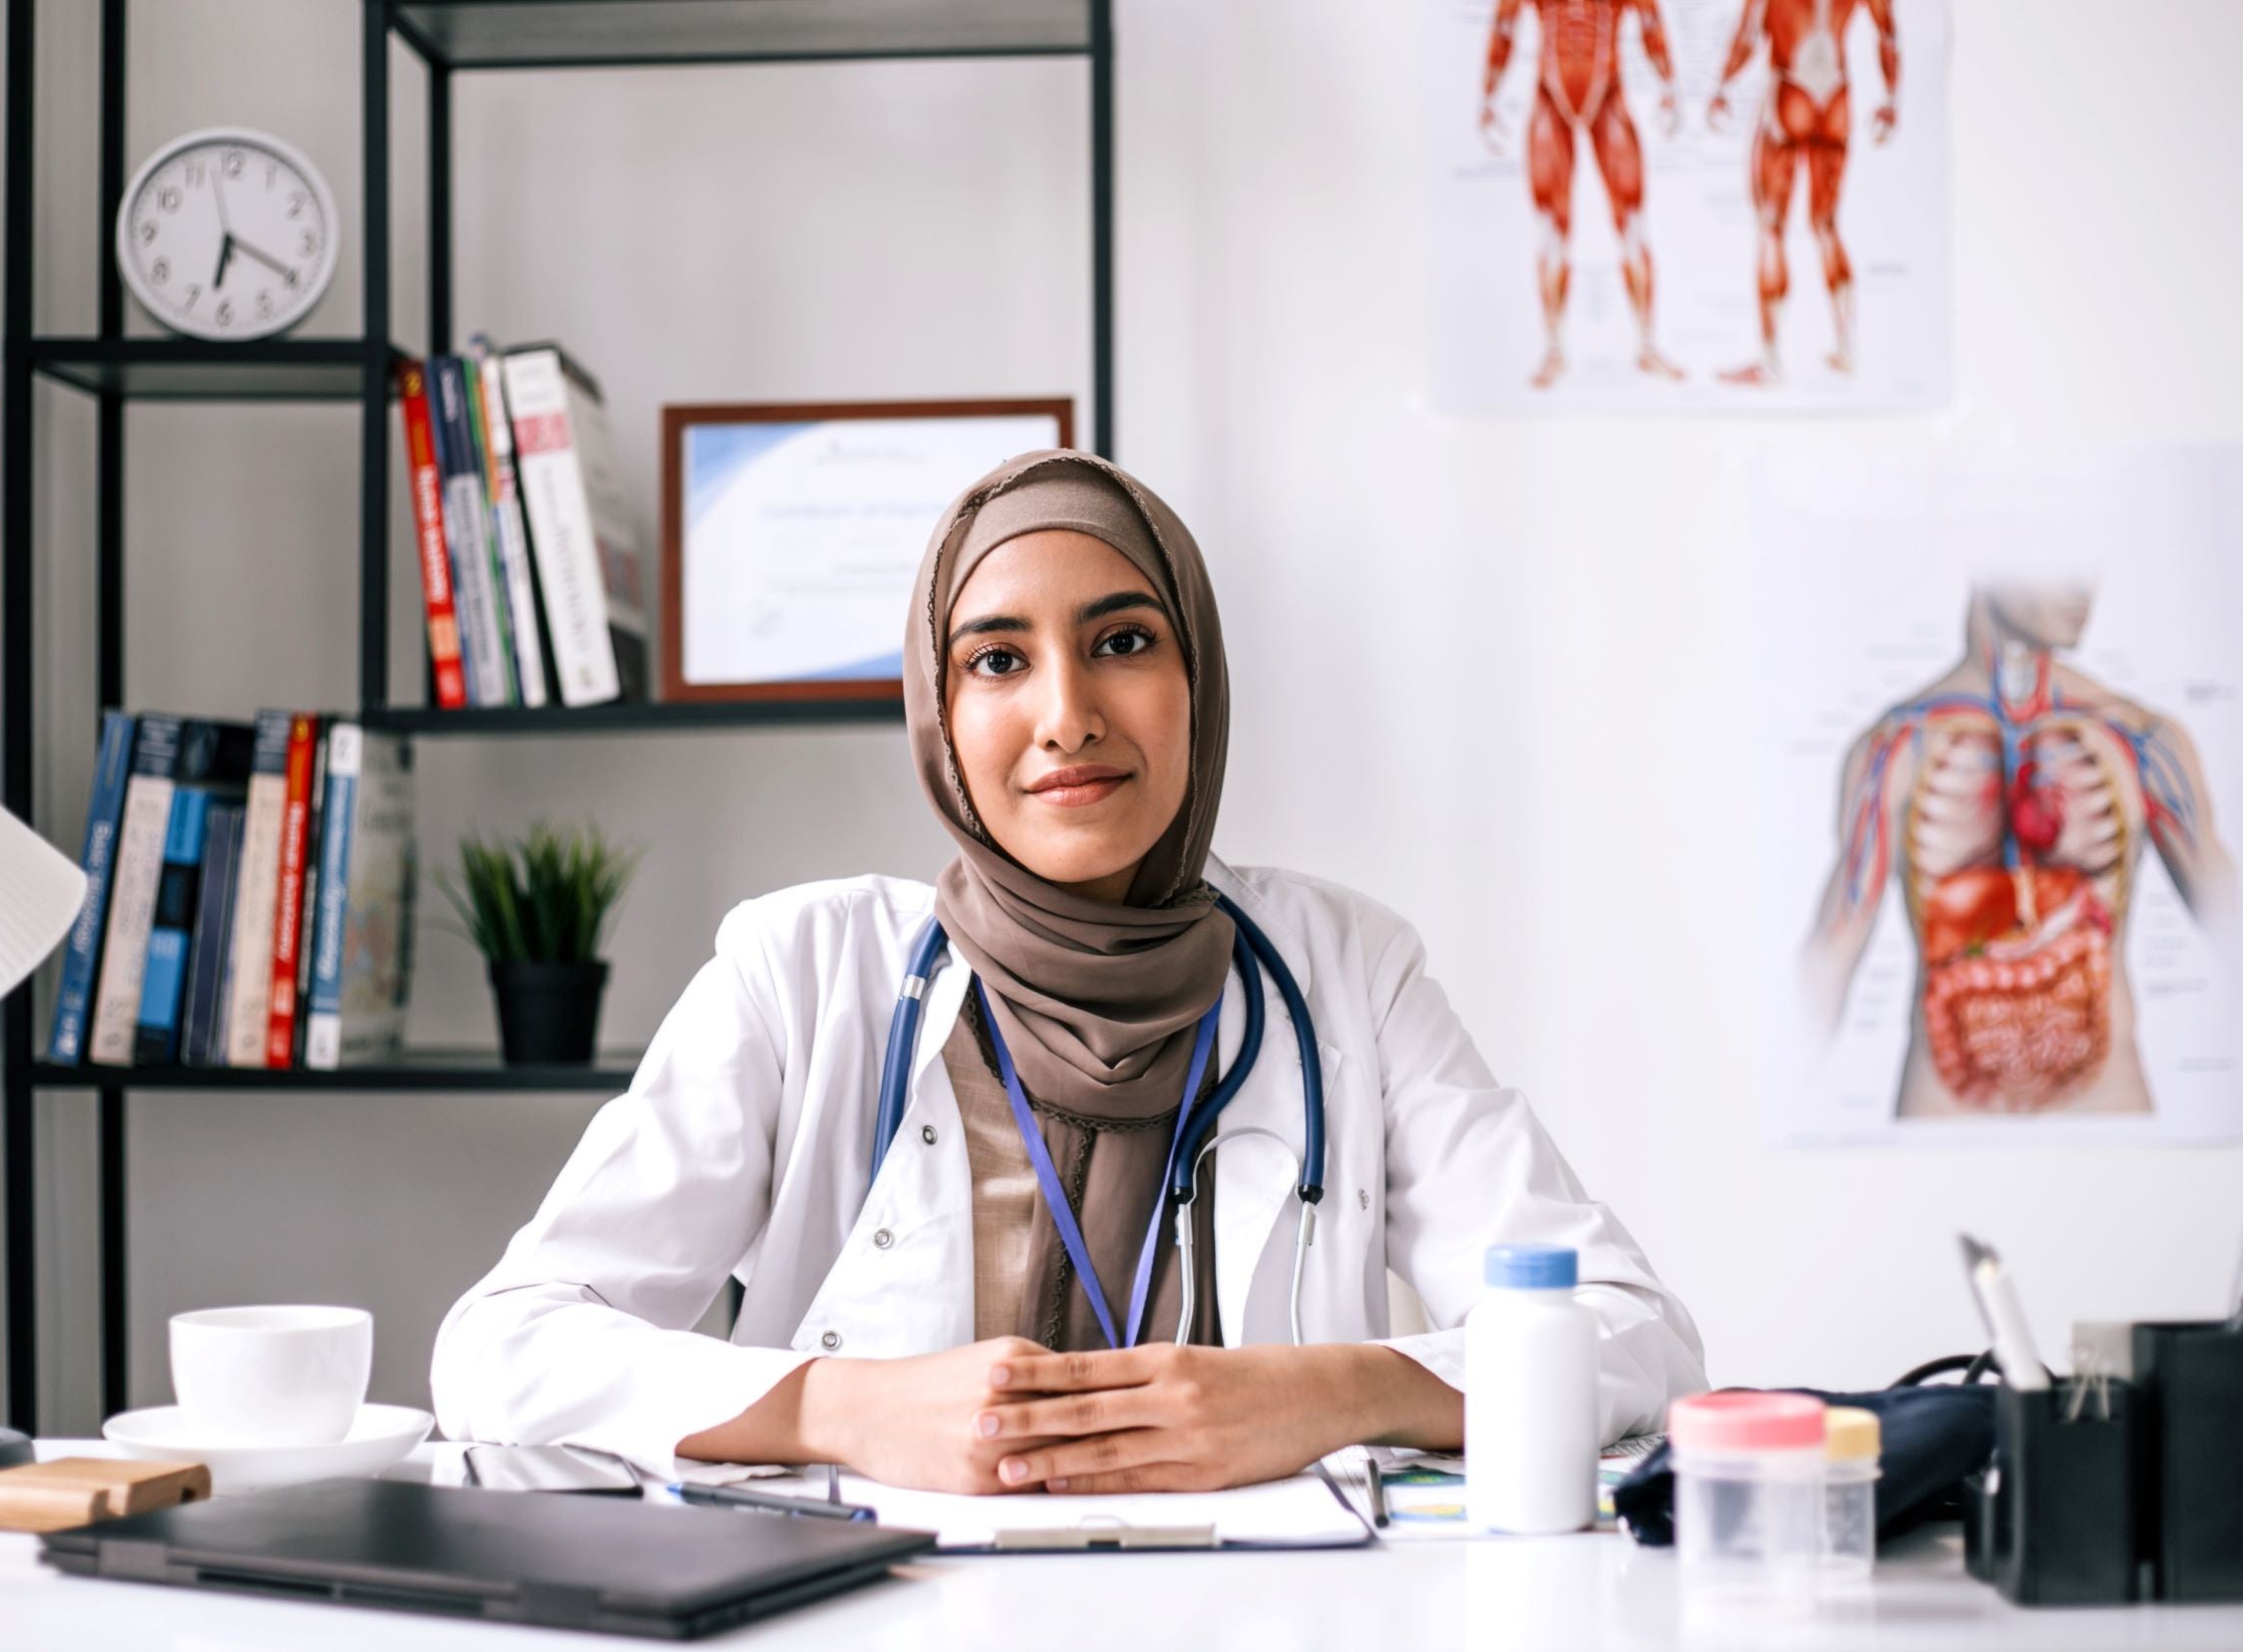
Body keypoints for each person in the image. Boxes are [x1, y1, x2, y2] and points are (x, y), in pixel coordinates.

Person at [434, 452, 1705, 1494]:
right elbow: (500, 1345)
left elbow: (1635, 1332)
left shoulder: (1344, 969)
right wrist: (841, 1408)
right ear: (939, 710)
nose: (1065, 714)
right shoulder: (803, 971)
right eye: (997, 658)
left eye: (1123, 640)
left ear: (1194, 679)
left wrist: (1326, 1387)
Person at [1801, 581, 2236, 1117]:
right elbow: (1829, 959)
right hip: (1942, 1146)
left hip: (2110, 1139)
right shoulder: (1895, 749)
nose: (2083, 581)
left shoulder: (2140, 740)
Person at [1480, 0, 1685, 388]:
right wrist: (1488, 95)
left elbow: (1650, 21)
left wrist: (1668, 84)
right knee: (1551, 230)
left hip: (1607, 93)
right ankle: (1554, 348)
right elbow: (1504, 26)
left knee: (1632, 224)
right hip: (1551, 98)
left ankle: (1646, 344)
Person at [1709, 0, 1900, 385]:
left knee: (1771, 226)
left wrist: (1722, 84)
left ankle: (1770, 360)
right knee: (1826, 224)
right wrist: (1891, 99)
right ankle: (1847, 347)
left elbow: (1748, 35)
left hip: (1790, 92)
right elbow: (1887, 32)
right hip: (1836, 100)